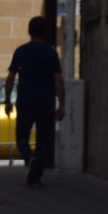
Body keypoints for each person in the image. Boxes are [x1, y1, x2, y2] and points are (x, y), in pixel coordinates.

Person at [4, 16, 64, 188]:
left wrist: (7, 101)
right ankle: (36, 173)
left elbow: (10, 78)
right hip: (46, 102)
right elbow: (58, 80)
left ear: (29, 31)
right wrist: (62, 104)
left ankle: (30, 160)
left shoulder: (21, 52)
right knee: (43, 139)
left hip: (25, 101)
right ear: (45, 32)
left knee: (21, 137)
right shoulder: (51, 53)